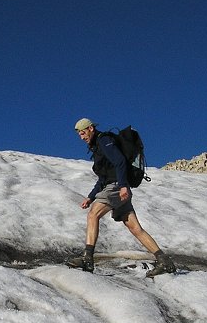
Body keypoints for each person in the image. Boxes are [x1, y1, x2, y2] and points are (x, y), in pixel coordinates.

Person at [67, 118, 176, 277]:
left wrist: (123, 185)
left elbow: (120, 162)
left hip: (117, 187)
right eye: (79, 135)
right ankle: (164, 260)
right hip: (117, 187)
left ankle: (87, 258)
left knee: (93, 214)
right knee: (135, 228)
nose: (82, 137)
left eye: (83, 133)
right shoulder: (98, 147)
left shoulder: (104, 140)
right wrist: (90, 197)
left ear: (90, 128)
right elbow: (103, 178)